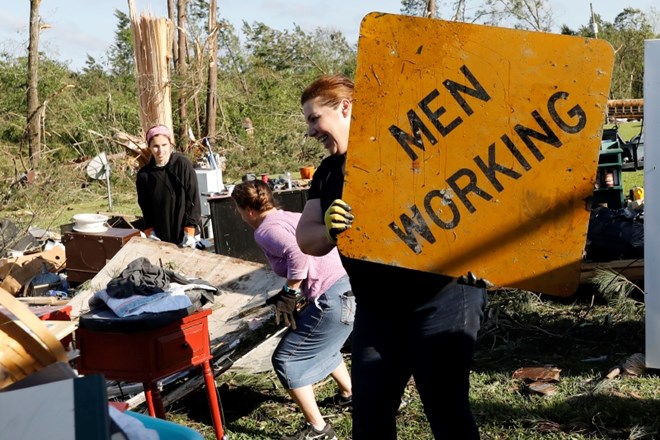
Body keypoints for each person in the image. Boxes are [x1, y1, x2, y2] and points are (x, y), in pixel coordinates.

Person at [295, 74, 489, 440]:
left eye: (314, 118)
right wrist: (329, 231)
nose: (310, 131)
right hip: (377, 310)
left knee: (445, 409)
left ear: (346, 107)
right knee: (369, 413)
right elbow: (307, 238)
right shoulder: (328, 173)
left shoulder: (414, 148)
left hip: (442, 299)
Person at [231, 180, 354, 440]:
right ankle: (350, 396)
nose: (240, 217)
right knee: (320, 343)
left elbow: (299, 255)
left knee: (286, 359)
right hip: (348, 290)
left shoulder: (265, 230)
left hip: (332, 298)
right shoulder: (290, 216)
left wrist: (290, 292)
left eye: (238, 211)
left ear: (248, 210)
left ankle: (319, 430)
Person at [136, 124, 201, 246]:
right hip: (161, 235)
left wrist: (190, 230)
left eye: (164, 145)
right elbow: (146, 208)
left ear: (170, 144)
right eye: (155, 146)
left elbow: (193, 199)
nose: (160, 151)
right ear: (149, 147)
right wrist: (150, 231)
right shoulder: (144, 175)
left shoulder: (182, 164)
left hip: (187, 233)